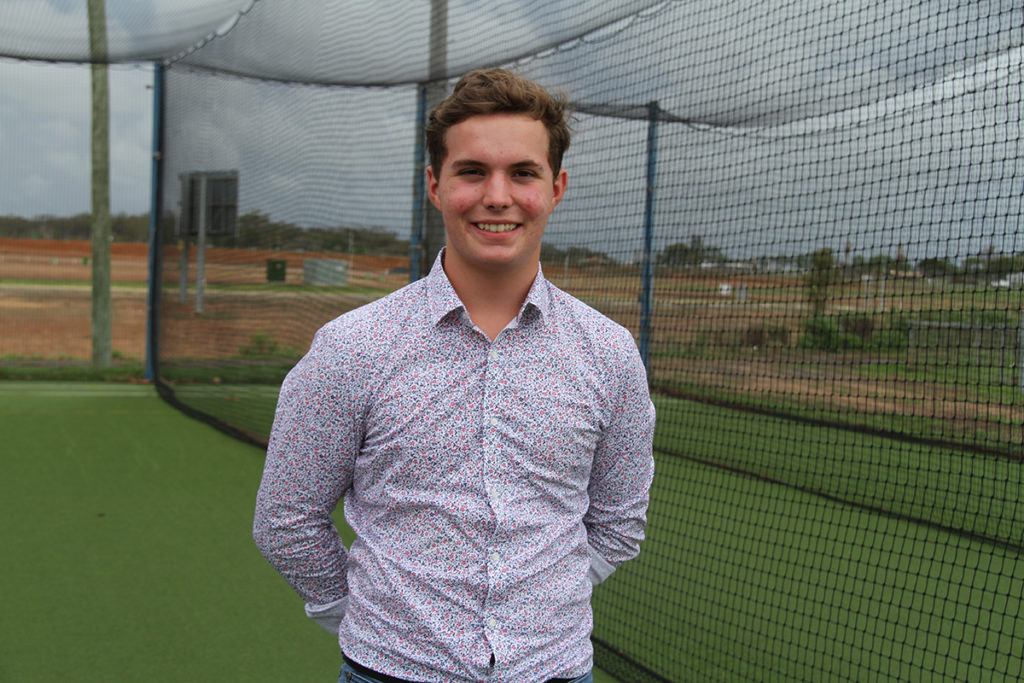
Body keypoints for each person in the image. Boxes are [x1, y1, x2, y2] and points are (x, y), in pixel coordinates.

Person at [253, 68, 655, 683]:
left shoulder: (608, 352)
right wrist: (369, 619)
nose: (498, 196)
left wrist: (543, 608)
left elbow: (619, 522)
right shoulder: (353, 347)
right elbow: (287, 519)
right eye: (473, 172)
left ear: (556, 187)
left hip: (555, 670)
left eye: (523, 172)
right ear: (437, 186)